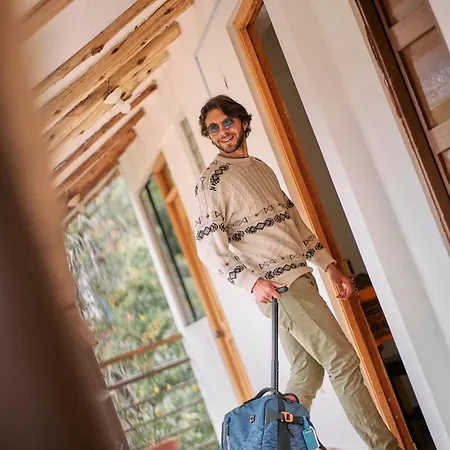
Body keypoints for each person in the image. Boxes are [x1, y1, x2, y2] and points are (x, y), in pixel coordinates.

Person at [193, 95, 401, 450]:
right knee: (342, 360)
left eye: (227, 122)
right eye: (213, 128)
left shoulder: (259, 168)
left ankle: (271, 445)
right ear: (209, 136)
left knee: (308, 372)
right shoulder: (212, 182)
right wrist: (252, 283)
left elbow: (293, 223)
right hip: (281, 287)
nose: (222, 132)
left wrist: (329, 266)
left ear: (243, 122)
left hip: (299, 279)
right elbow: (209, 248)